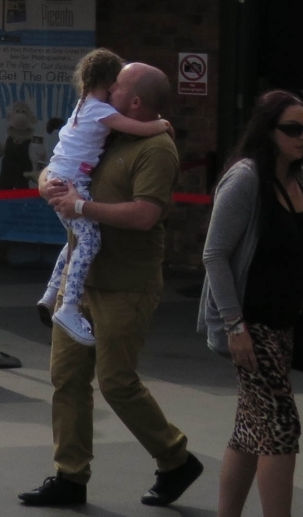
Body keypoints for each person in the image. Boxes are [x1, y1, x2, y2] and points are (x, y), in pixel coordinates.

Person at [20, 63, 203, 509]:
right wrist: (49, 184)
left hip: (126, 284)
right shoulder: (105, 128)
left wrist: (81, 207)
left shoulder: (156, 148)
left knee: (117, 382)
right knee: (66, 378)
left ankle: (175, 458)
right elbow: (58, 165)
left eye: (115, 85)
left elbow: (145, 214)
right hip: (81, 282)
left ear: (135, 102)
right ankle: (70, 475)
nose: (106, 89)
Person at [200, 91, 303, 517]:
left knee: (250, 429)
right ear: (268, 131)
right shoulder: (246, 179)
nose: (302, 136)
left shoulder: (298, 177)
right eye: (292, 128)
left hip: (284, 322)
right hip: (251, 325)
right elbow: (214, 255)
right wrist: (234, 326)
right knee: (282, 428)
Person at [39, 49, 175, 344]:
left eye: (119, 86)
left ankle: (52, 293)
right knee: (88, 240)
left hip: (120, 283)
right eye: (113, 83)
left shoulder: (88, 108)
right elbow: (141, 128)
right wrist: (162, 124)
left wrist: (68, 197)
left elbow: (144, 215)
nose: (114, 89)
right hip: (69, 181)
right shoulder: (104, 114)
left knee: (77, 240)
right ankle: (67, 305)